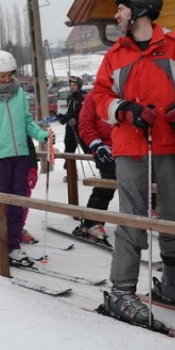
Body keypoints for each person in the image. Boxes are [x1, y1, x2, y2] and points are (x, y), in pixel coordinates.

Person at [90, 0, 175, 328]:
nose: (117, 15)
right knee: (133, 217)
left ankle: (173, 278)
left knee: (174, 213)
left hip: (170, 145)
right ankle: (123, 289)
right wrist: (124, 108)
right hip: (130, 147)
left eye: (122, 9)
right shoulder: (116, 54)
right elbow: (98, 97)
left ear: (140, 10)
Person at [0, 50, 51, 272]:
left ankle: (12, 244)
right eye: (1, 75)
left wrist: (41, 134)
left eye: (9, 75)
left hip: (20, 155)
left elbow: (27, 122)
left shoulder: (18, 94)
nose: (6, 79)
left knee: (18, 201)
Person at [76, 90, 116, 243]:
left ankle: (138, 218)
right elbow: (85, 124)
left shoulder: (125, 92)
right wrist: (97, 144)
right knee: (109, 181)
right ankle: (92, 221)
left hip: (127, 147)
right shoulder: (94, 97)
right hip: (105, 148)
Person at [56, 75, 86, 153]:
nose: (72, 87)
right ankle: (68, 164)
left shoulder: (83, 97)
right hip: (70, 128)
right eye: (70, 85)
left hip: (81, 128)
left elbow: (86, 114)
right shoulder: (69, 98)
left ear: (79, 86)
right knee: (68, 150)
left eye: (74, 85)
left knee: (88, 150)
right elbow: (70, 112)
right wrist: (64, 118)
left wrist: (76, 119)